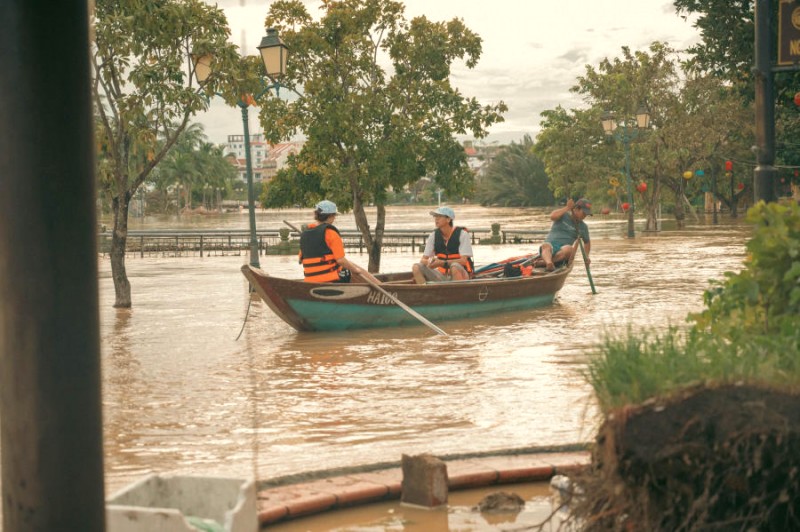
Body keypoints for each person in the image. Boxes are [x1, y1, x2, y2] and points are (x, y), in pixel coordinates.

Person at [298, 200, 382, 284]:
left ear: (316, 214)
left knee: (350, 265)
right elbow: (340, 260)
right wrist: (355, 270)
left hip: (309, 280)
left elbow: (300, 260)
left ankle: (379, 284)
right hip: (331, 280)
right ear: (331, 216)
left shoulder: (305, 235)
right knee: (353, 268)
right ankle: (381, 285)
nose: (334, 218)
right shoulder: (331, 233)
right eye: (334, 216)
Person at [412, 206, 475, 284]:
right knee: (416, 267)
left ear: (448, 219)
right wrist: (430, 262)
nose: (436, 219)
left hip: (462, 275)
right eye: (435, 216)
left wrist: (442, 263)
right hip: (442, 275)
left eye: (439, 216)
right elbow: (423, 259)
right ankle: (424, 293)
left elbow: (463, 261)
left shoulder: (462, 234)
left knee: (455, 266)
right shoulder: (433, 235)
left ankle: (457, 292)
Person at [539, 197, 591, 271]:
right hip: (550, 247)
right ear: (576, 209)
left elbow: (587, 243)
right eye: (584, 213)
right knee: (546, 245)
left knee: (569, 249)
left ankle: (544, 263)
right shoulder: (563, 215)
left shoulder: (583, 227)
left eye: (586, 214)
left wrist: (586, 256)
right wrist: (567, 207)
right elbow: (552, 216)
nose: (584, 216)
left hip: (563, 252)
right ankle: (548, 263)